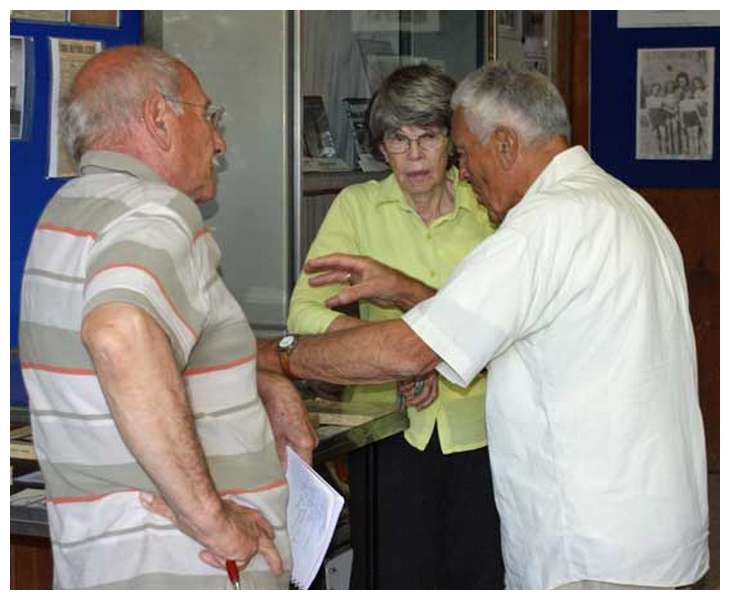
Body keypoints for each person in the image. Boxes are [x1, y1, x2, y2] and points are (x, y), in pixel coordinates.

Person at [261, 63, 710, 590]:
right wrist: (406, 297)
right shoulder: (622, 203)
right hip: (649, 526)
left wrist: (273, 356)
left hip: (591, 544)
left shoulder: (540, 227)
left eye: (461, 152)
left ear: (503, 144)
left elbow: (409, 350)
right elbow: (496, 325)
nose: (464, 172)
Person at [19, 45, 317, 589]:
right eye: (209, 116)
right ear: (159, 118)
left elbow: (127, 358)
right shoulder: (156, 211)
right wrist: (213, 520)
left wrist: (257, 382)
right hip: (189, 566)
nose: (219, 142)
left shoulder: (67, 213)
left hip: (104, 566)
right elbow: (119, 335)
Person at [287, 64, 503, 589]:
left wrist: (424, 353)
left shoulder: (486, 209)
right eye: (398, 140)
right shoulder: (358, 207)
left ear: (452, 143)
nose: (414, 155)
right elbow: (304, 314)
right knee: (392, 576)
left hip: (485, 431)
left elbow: (508, 327)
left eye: (427, 137)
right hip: (387, 429)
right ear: (381, 149)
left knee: (479, 575)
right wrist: (389, 357)